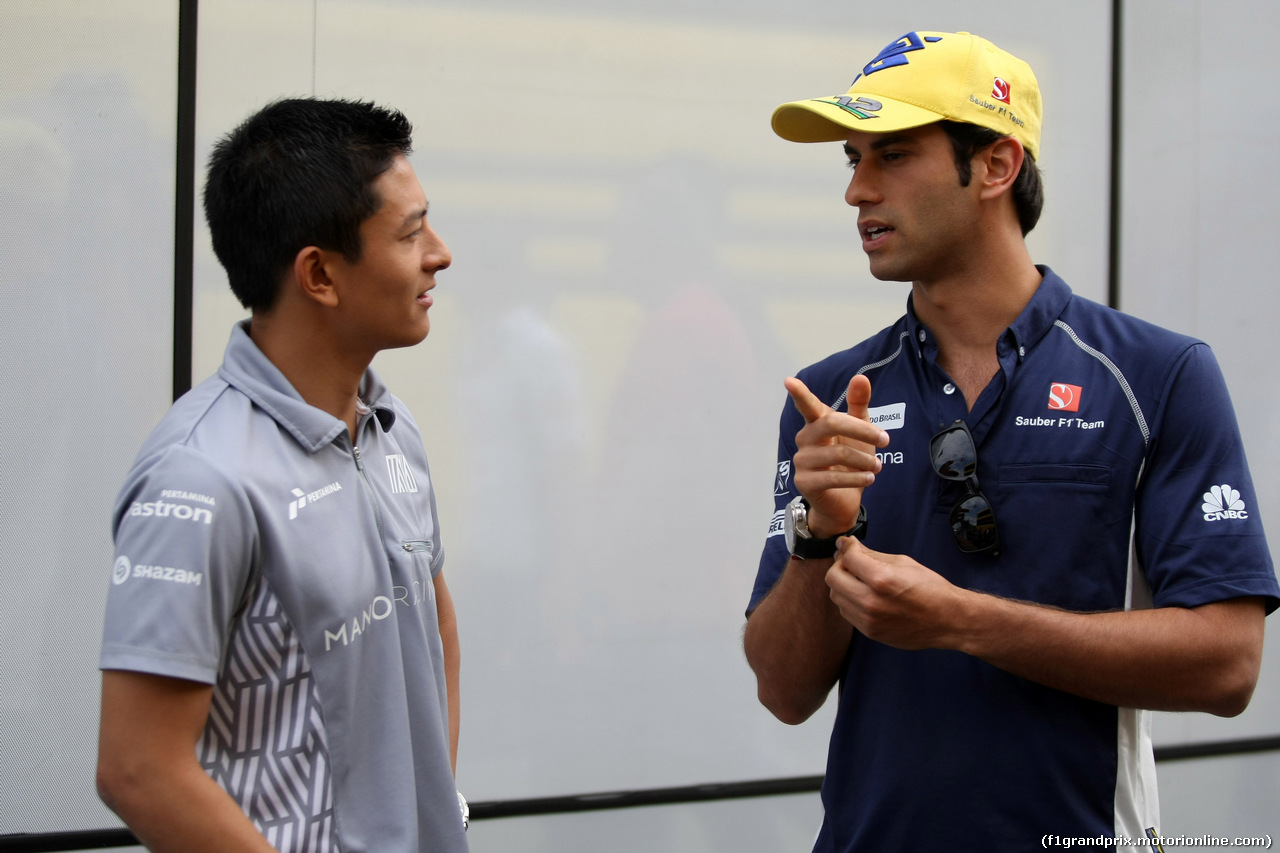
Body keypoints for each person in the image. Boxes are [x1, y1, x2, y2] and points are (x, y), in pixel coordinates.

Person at [743, 30, 1278, 851]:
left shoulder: (1158, 374)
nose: (856, 189)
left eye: (890, 155)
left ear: (995, 166)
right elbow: (783, 690)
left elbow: (1228, 662)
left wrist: (961, 619)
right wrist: (819, 534)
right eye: (851, 159)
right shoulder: (830, 401)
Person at [97, 98, 468, 853]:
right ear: (320, 275)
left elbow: (437, 629)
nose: (440, 252)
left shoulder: (391, 428)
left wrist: (429, 813)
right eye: (410, 232)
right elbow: (139, 769)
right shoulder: (199, 475)